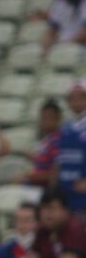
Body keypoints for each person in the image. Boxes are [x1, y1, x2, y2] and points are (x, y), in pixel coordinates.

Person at [54, 81, 86, 221]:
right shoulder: (66, 128)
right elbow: (59, 160)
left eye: (81, 97)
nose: (77, 102)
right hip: (66, 194)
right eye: (72, 98)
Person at [21, 101, 63, 188]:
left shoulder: (59, 141)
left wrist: (29, 177)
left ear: (58, 119)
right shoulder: (47, 141)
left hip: (44, 191)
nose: (45, 121)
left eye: (49, 118)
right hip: (33, 186)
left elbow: (55, 173)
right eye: (43, 118)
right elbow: (44, 164)